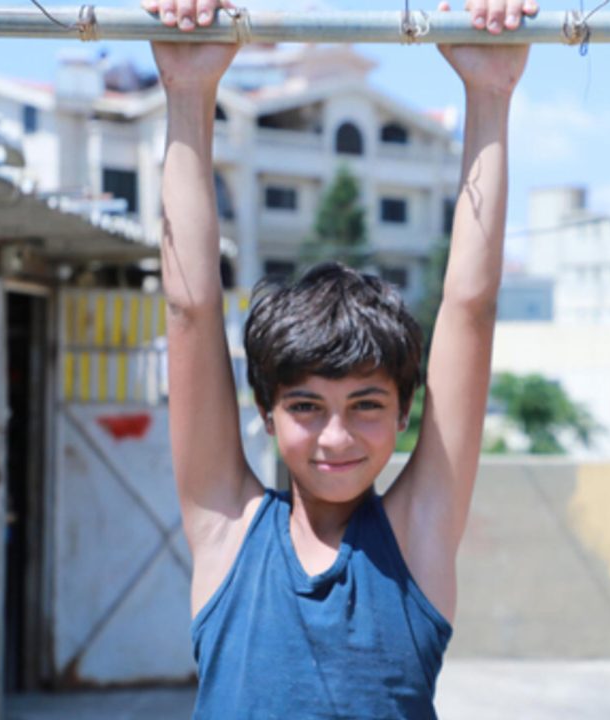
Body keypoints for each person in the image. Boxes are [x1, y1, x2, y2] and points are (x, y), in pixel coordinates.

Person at [144, 0, 535, 715]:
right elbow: (192, 307)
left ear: (404, 413)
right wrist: (189, 93)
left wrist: (489, 97)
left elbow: (470, 310)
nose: (335, 436)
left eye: (366, 405)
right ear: (265, 412)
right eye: (305, 406)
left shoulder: (414, 540)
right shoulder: (226, 531)